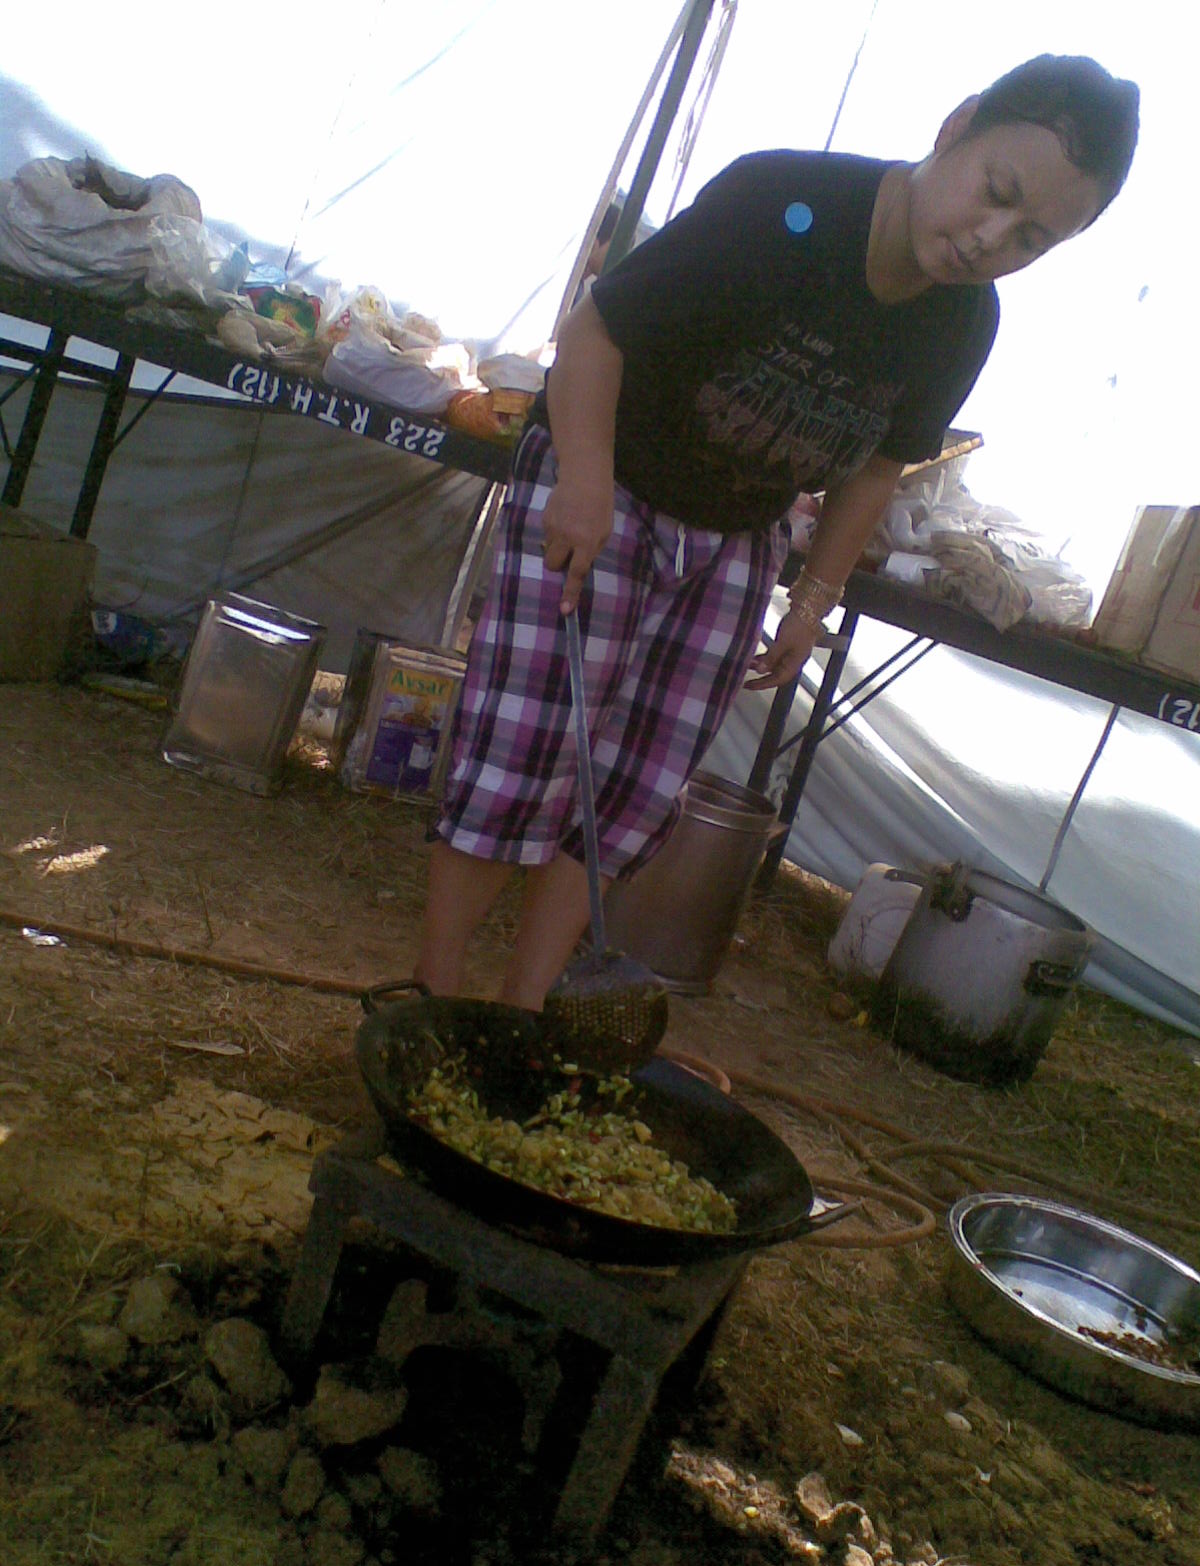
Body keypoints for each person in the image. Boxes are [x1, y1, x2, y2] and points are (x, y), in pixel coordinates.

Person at [415, 53, 1139, 1010]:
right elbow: (597, 334)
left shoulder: (962, 327)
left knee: (632, 789)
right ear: (956, 127)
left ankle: (523, 1011)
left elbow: (878, 468)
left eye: (1032, 238)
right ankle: (428, 995)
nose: (991, 239)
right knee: (523, 755)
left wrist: (814, 596)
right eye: (996, 193)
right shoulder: (781, 202)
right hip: (607, 483)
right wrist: (583, 482)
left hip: (736, 538)